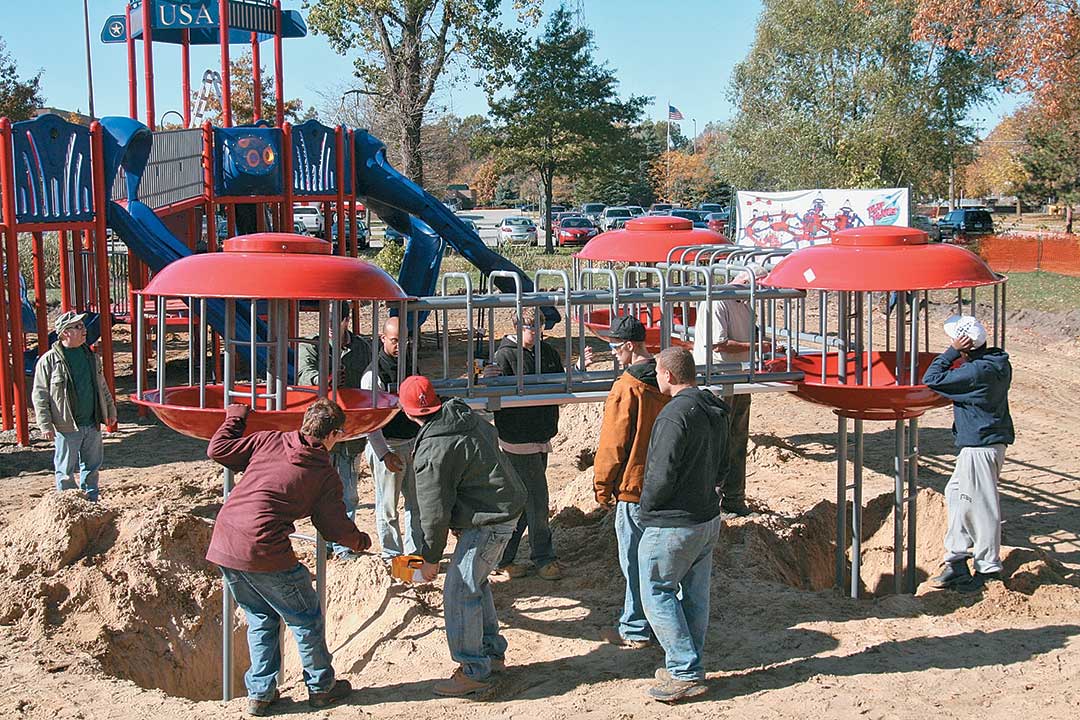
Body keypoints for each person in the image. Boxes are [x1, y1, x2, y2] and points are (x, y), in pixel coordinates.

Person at [206, 399, 371, 716]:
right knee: (305, 618)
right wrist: (359, 541)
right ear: (333, 434)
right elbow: (333, 526)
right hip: (263, 548)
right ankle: (322, 687)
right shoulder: (323, 473)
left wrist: (235, 418)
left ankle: (260, 693)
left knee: (261, 618)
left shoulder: (270, 439)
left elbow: (219, 450)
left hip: (225, 541)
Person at [399, 374, 527, 697]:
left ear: (408, 413)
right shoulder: (463, 416)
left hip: (490, 519)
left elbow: (433, 512)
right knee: (475, 584)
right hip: (503, 508)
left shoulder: (432, 449)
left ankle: (474, 670)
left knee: (459, 591)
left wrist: (429, 559)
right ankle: (491, 654)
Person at [639, 347, 728, 703]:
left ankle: (684, 669)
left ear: (669, 375)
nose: (656, 377)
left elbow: (660, 473)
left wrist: (647, 508)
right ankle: (688, 663)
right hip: (706, 517)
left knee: (656, 591)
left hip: (674, 522)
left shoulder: (674, 415)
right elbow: (725, 465)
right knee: (695, 594)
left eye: (658, 372)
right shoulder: (714, 408)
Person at [592, 315, 670, 650]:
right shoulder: (669, 380)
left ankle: (636, 627)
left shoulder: (627, 387)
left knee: (635, 562)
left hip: (634, 487)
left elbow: (613, 444)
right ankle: (665, 625)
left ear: (628, 345)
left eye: (614, 347)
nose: (613, 353)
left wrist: (602, 487)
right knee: (664, 564)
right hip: (669, 485)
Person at [923, 315, 1014, 591]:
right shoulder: (996, 362)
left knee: (982, 508)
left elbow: (932, 379)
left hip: (979, 447)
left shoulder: (974, 373)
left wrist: (951, 353)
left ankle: (988, 569)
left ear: (964, 344)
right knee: (956, 495)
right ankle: (956, 561)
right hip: (988, 443)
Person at [488, 307, 564, 580]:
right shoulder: (504, 356)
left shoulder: (548, 353)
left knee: (522, 502)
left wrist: (578, 370)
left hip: (541, 436)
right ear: (517, 328)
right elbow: (491, 394)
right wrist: (487, 380)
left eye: (538, 327)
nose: (535, 333)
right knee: (538, 501)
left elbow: (561, 381)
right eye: (530, 328)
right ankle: (543, 558)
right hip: (518, 440)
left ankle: (502, 557)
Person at [692, 263, 769, 516]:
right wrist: (757, 346)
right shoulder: (719, 300)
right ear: (747, 283)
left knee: (736, 439)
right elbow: (719, 344)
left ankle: (733, 499)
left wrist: (760, 345)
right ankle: (713, 502)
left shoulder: (744, 303)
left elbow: (745, 337)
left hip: (738, 377)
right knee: (719, 442)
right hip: (717, 379)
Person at [297, 301, 371, 558]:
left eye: (334, 321)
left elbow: (370, 379)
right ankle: (325, 544)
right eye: (325, 321)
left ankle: (342, 545)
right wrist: (324, 379)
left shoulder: (361, 348)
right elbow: (303, 374)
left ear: (346, 321)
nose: (328, 326)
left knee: (348, 492)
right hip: (322, 432)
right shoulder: (311, 345)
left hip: (350, 431)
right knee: (319, 492)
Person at [31, 310, 117, 502]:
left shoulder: (91, 357)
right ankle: (70, 503)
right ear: (65, 333)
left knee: (92, 467)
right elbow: (40, 395)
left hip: (92, 422)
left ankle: (91, 502)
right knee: (65, 470)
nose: (84, 329)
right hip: (67, 426)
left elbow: (102, 386)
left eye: (82, 325)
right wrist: (45, 424)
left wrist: (110, 410)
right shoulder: (49, 361)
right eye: (77, 327)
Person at [361, 316, 423, 560]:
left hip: (412, 442)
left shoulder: (411, 365)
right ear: (383, 338)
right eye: (395, 340)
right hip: (388, 444)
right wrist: (383, 454)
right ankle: (392, 555)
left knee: (416, 504)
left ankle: (414, 554)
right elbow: (369, 421)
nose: (400, 345)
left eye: (404, 340)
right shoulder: (373, 375)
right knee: (388, 507)